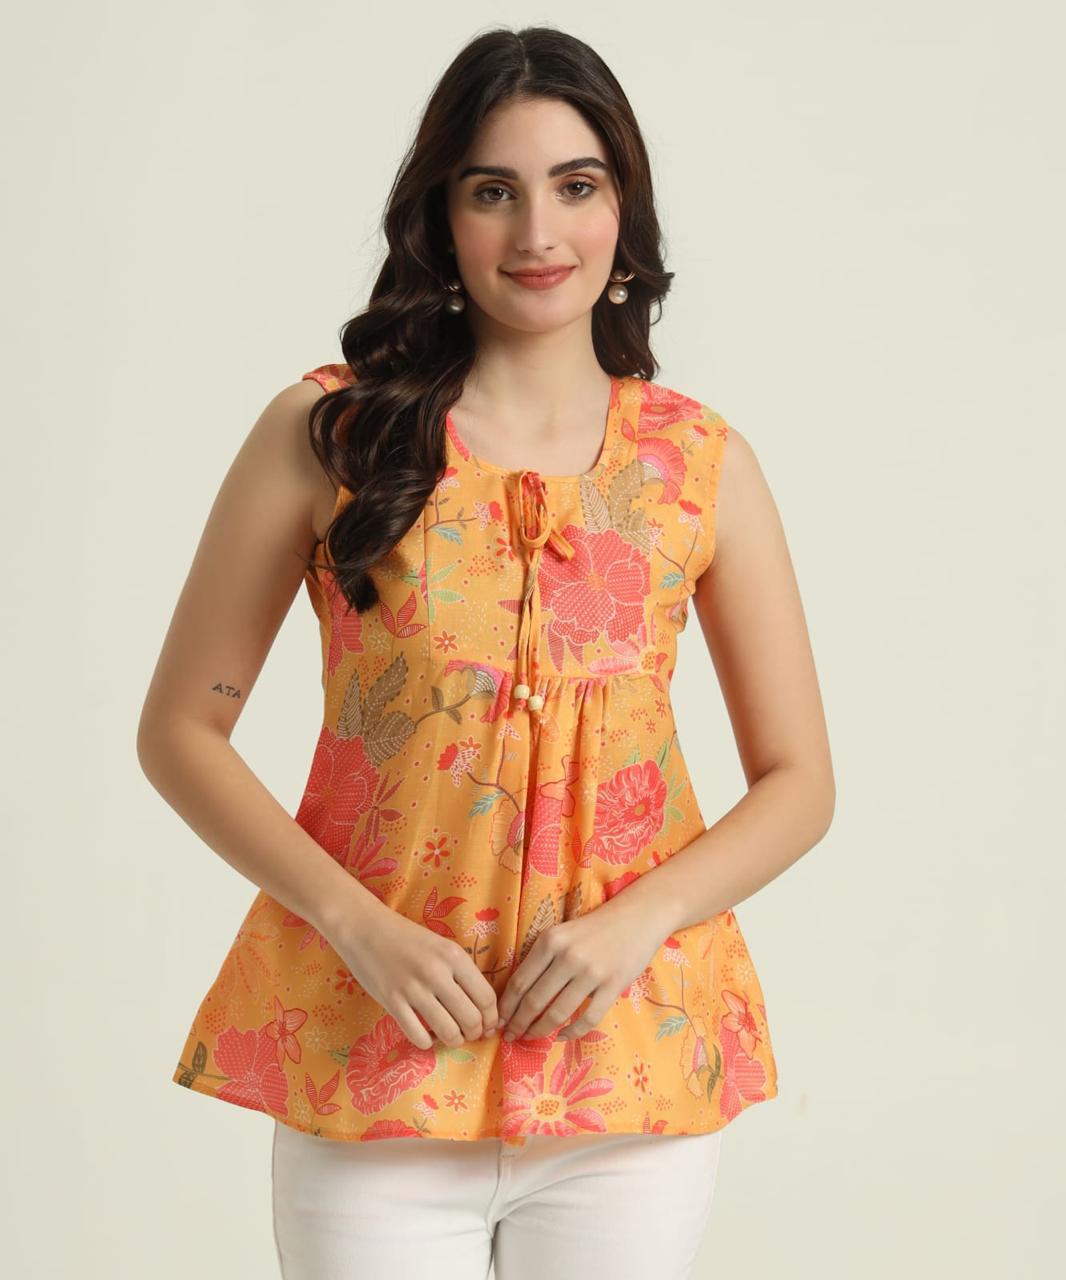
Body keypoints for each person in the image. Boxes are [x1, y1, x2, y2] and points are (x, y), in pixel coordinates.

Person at [137, 24, 835, 1280]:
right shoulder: (329, 432)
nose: (537, 233)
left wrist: (638, 923)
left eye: (576, 184)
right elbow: (182, 729)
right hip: (376, 1065)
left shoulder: (700, 464)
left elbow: (800, 781)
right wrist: (356, 925)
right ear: (441, 217)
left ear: (623, 208)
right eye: (492, 190)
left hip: (625, 1076)